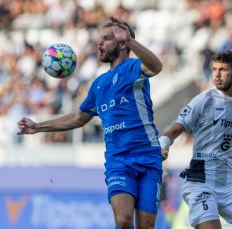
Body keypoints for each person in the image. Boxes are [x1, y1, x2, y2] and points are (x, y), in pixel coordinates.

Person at [18, 17, 163, 229]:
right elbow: (78, 117)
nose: (99, 44)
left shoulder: (134, 69)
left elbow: (157, 66)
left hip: (148, 157)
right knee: (123, 221)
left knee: (146, 226)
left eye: (106, 39)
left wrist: (131, 42)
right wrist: (39, 126)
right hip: (118, 161)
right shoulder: (99, 85)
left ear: (122, 43)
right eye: (99, 39)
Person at [159, 50, 232, 229]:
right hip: (200, 181)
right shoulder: (204, 99)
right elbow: (172, 131)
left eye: (223, 70)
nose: (216, 75)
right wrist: (164, 145)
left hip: (227, 183)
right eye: (214, 69)